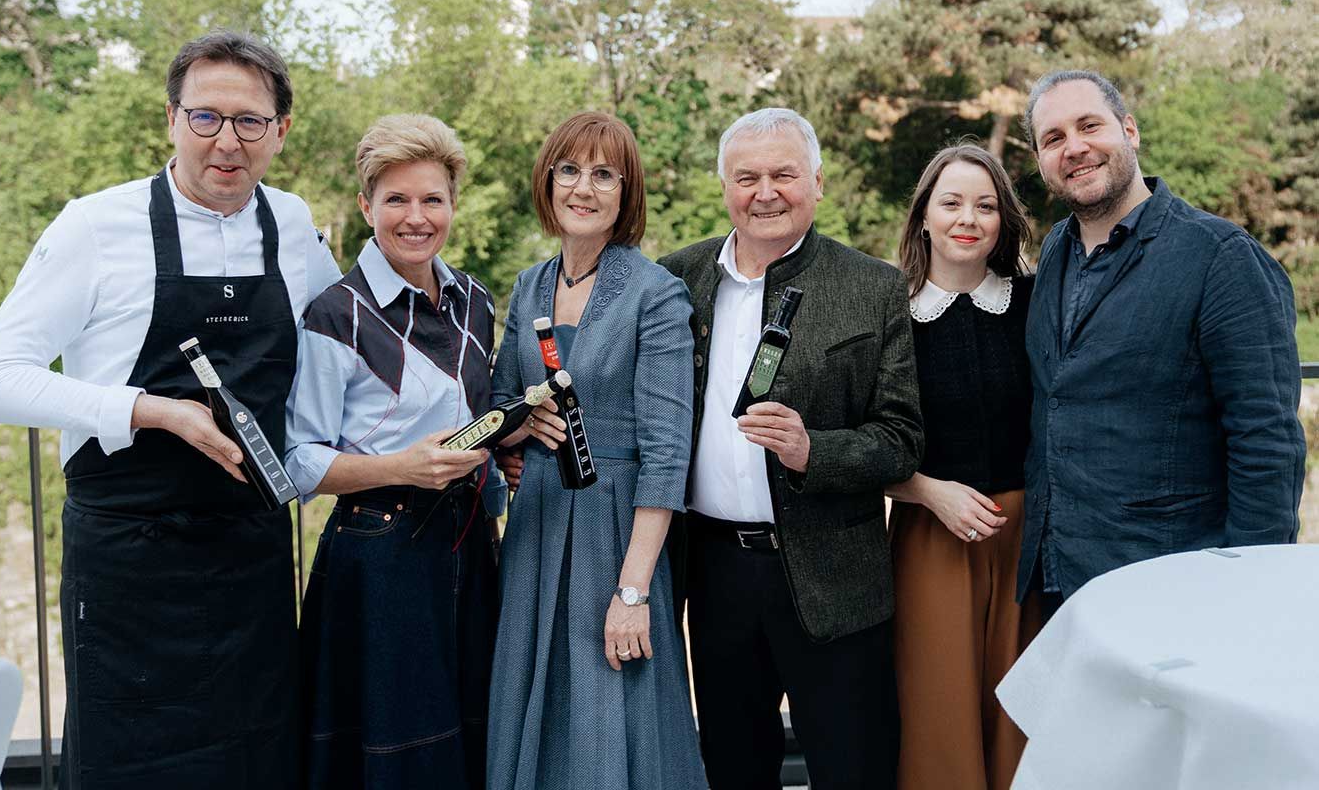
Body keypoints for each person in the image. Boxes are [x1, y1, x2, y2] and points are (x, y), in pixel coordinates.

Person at [0, 30, 341, 788]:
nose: (226, 142)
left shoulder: (295, 226)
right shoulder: (95, 226)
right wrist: (152, 410)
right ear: (171, 119)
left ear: (281, 131)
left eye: (249, 122)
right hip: (132, 570)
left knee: (258, 761)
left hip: (252, 560)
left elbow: (348, 347)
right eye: (205, 118)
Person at [660, 108, 923, 790]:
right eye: (747, 177)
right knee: (733, 768)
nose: (766, 192)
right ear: (724, 187)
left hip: (835, 574)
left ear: (818, 182)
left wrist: (815, 451)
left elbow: (901, 440)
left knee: (852, 769)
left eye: (784, 174)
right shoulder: (676, 282)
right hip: (714, 576)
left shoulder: (873, 287)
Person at [1019, 69, 1306, 614]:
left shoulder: (1221, 258)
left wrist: (1249, 591)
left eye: (1089, 126)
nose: (1074, 148)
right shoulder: (1056, 248)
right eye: (1053, 138)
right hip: (1060, 576)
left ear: (1129, 130)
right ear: (1040, 161)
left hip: (1173, 583)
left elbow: (1267, 443)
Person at [486, 111, 706, 790]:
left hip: (617, 534)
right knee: (534, 710)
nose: (584, 187)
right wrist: (521, 425)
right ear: (548, 182)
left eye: (604, 174)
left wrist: (633, 590)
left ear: (625, 191)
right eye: (570, 170)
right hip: (536, 527)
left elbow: (668, 454)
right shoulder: (527, 285)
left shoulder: (654, 294)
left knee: (616, 717)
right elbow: (497, 410)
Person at [283, 115, 501, 789]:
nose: (416, 217)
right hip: (379, 557)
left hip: (470, 547)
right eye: (396, 200)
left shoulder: (476, 303)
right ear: (365, 206)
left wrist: (508, 438)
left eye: (432, 199)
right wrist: (400, 468)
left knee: (470, 740)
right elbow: (298, 461)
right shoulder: (335, 314)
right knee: (397, 762)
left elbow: (469, 420)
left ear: (453, 204)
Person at [886, 143, 1043, 790]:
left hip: (1029, 537)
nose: (967, 218)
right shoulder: (890, 315)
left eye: (985, 205)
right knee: (937, 714)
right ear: (923, 215)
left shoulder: (1037, 304)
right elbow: (859, 442)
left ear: (1003, 220)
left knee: (1022, 709)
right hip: (932, 538)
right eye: (951, 202)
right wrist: (929, 492)